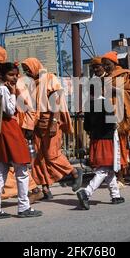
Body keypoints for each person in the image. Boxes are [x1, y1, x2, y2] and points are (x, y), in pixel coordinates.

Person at [20, 58, 83, 200]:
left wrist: (54, 122)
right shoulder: (30, 84)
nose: (26, 72)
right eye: (25, 69)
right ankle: (45, 189)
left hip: (50, 124)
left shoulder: (50, 78)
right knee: (38, 159)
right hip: (36, 126)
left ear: (35, 66)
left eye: (28, 68)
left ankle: (74, 172)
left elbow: (57, 101)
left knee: (51, 155)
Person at [0, 62, 42, 219]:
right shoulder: (4, 89)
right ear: (3, 75)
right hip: (9, 130)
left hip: (0, 133)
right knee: (21, 169)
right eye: (11, 74)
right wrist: (12, 93)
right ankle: (23, 206)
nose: (15, 77)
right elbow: (10, 111)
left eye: (16, 75)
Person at [102, 52, 130, 187]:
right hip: (110, 114)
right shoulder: (105, 78)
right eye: (104, 65)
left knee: (122, 144)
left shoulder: (125, 75)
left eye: (108, 65)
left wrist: (113, 89)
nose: (106, 68)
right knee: (115, 145)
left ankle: (123, 174)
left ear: (115, 64)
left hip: (123, 114)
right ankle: (120, 173)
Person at [78, 92, 125, 210]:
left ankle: (115, 195)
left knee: (109, 169)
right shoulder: (105, 102)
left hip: (95, 139)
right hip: (106, 139)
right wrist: (115, 125)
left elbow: (86, 126)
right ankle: (86, 192)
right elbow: (111, 122)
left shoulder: (88, 104)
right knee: (104, 169)